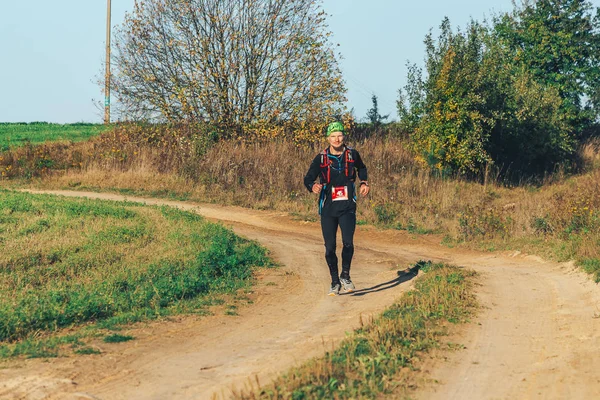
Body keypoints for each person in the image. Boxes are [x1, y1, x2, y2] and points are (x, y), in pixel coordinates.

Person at [304, 121, 369, 296]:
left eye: (339, 135)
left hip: (348, 205)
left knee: (348, 242)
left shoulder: (352, 154)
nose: (337, 139)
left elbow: (361, 168)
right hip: (328, 208)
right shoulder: (321, 158)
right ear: (328, 138)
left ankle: (345, 275)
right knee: (330, 247)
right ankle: (334, 281)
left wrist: (364, 182)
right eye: (333, 136)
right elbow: (308, 178)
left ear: (343, 136)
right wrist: (313, 186)